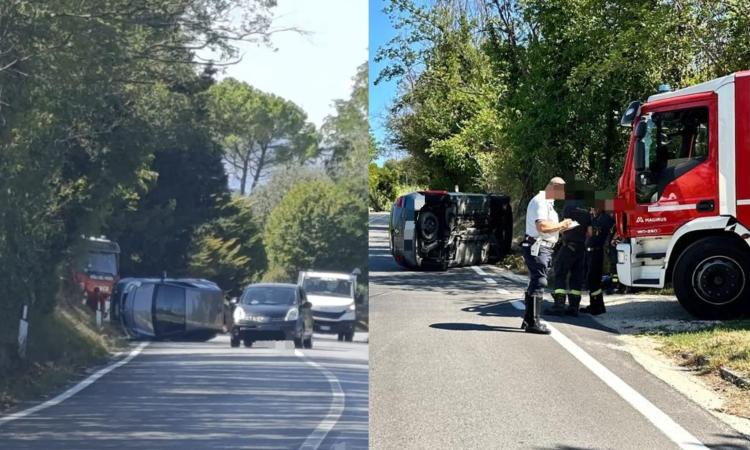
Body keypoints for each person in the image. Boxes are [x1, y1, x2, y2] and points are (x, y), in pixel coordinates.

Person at [520, 177, 573, 334]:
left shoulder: (548, 203)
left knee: (536, 280)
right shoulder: (541, 201)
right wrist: (562, 224)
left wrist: (561, 227)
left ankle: (528, 319)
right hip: (538, 246)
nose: (563, 194)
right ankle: (534, 322)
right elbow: (542, 226)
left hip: (543, 246)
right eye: (562, 190)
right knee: (540, 281)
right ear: (554, 187)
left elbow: (549, 227)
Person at [549, 190, 593, 316]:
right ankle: (574, 307)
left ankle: (559, 304)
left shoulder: (568, 208)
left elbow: (563, 226)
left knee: (560, 272)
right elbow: (590, 233)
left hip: (568, 246)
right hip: (581, 248)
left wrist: (564, 235)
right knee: (576, 277)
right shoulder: (587, 212)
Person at [581, 202, 616, 314]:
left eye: (595, 207)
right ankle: (595, 305)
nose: (592, 209)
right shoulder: (596, 217)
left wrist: (587, 226)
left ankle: (597, 307)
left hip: (596, 251)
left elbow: (594, 232)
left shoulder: (605, 219)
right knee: (591, 280)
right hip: (589, 252)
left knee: (593, 280)